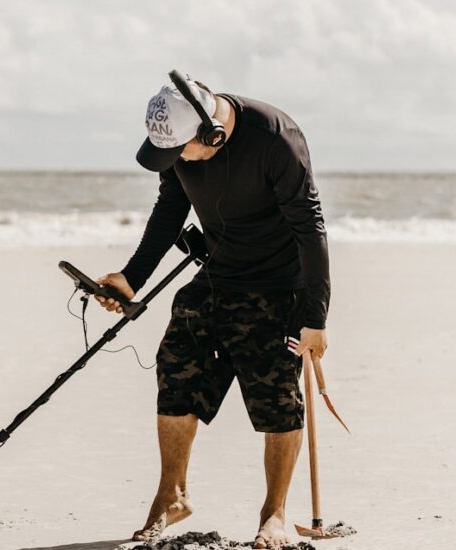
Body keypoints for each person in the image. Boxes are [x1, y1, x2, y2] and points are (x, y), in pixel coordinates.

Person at [95, 70, 331, 548]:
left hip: (276, 282)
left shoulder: (275, 139)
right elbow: (169, 209)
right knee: (175, 371)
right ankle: (172, 495)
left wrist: (314, 317)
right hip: (217, 271)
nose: (178, 161)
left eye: (181, 151)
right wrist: (130, 278)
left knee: (275, 399)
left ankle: (274, 514)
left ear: (213, 133)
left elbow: (311, 227)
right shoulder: (178, 144)